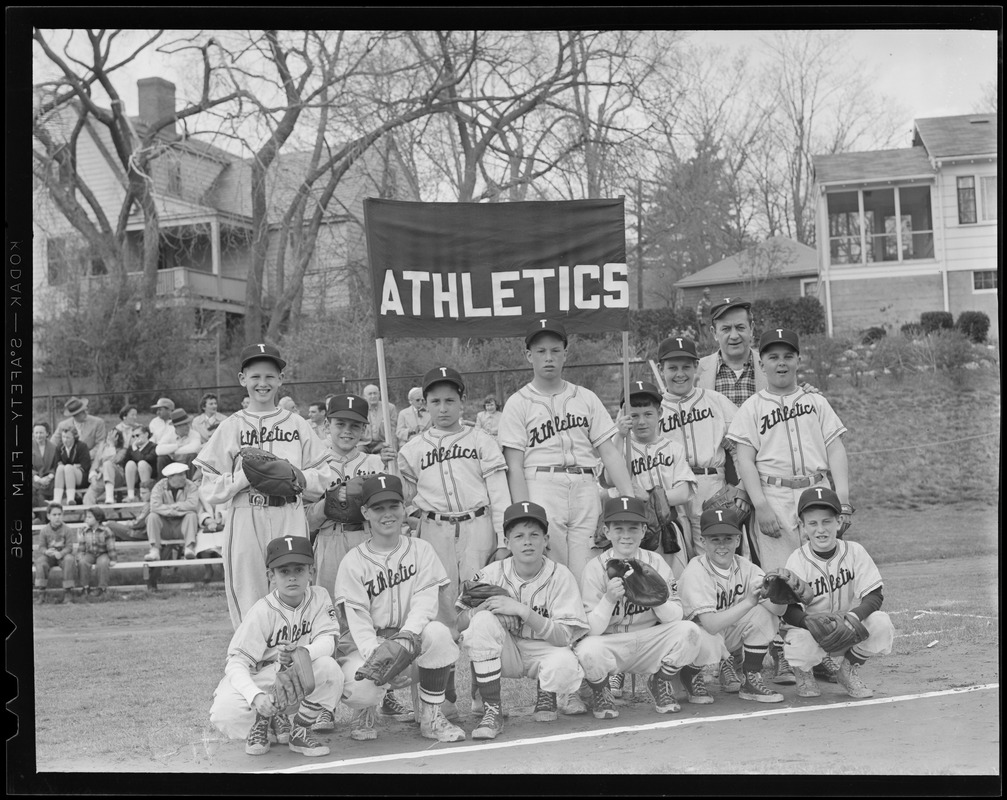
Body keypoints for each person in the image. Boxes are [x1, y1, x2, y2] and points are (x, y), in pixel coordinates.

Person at [727, 328, 850, 686]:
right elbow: (744, 459)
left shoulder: (816, 402)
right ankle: (781, 655)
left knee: (820, 578)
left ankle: (820, 652)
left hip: (816, 490)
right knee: (780, 582)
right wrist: (761, 505)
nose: (781, 362)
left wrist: (841, 500)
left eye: (787, 355)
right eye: (773, 356)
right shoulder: (752, 407)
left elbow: (836, 448)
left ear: (798, 359)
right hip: (776, 494)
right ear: (761, 363)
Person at [193, 343, 335, 630]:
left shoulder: (297, 424)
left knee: (294, 587)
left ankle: (293, 658)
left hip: (288, 512)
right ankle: (253, 661)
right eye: (255, 376)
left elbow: (325, 475)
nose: (263, 383)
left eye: (270, 376)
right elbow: (207, 488)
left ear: (280, 380)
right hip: (247, 512)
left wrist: (298, 478)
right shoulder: (231, 426)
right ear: (242, 379)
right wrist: (245, 477)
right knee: (248, 591)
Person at [498, 319, 636, 588]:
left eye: (555, 350)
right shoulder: (518, 403)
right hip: (542, 485)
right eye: (540, 351)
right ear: (529, 356)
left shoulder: (585, 397)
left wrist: (628, 499)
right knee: (552, 566)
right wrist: (525, 513)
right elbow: (514, 466)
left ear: (565, 354)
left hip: (585, 485)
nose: (548, 358)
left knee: (589, 564)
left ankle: (589, 623)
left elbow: (609, 452)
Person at [333, 473, 467, 744]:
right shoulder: (353, 561)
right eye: (378, 508)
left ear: (404, 509)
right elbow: (357, 622)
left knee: (439, 633)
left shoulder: (422, 550)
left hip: (412, 639)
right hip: (367, 647)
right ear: (365, 512)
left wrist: (403, 645)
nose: (387, 514)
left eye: (393, 506)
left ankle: (431, 715)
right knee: (360, 687)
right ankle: (365, 710)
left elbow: (425, 604)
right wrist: (382, 658)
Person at [574, 497, 727, 719]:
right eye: (618, 528)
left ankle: (660, 682)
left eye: (633, 528)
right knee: (586, 649)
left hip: (650, 639)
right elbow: (590, 630)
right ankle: (601, 691)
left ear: (644, 530)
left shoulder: (655, 562)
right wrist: (608, 600)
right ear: (606, 531)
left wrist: (656, 599)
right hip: (612, 641)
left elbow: (676, 617)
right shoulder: (594, 569)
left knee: (690, 631)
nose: (626, 535)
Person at [456, 501, 589, 740]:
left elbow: (565, 637)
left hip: (544, 651)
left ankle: (546, 692)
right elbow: (458, 623)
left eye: (534, 534)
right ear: (507, 542)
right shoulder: (491, 574)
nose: (527, 541)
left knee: (566, 666)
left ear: (546, 540)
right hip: (506, 651)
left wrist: (522, 611)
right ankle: (492, 710)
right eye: (519, 535)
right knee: (483, 621)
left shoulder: (561, 576)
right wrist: (485, 610)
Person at [304, 393, 396, 733]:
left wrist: (392, 464)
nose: (347, 431)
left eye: (355, 425)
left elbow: (397, 510)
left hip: (366, 543)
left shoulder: (375, 463)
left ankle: (371, 700)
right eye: (340, 423)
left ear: (364, 428)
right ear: (327, 425)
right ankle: (325, 704)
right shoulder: (313, 465)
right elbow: (303, 522)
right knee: (329, 625)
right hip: (328, 540)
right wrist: (326, 504)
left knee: (371, 619)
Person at [398, 366, 511, 633]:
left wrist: (504, 540)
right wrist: (391, 466)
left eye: (450, 400)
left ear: (462, 401)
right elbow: (403, 497)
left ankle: (480, 666)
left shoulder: (481, 440)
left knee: (481, 601)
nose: (443, 408)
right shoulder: (412, 449)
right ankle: (443, 665)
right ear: (425, 405)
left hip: (478, 525)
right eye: (435, 402)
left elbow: (499, 494)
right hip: (434, 530)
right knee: (440, 607)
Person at [209, 535, 343, 758]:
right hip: (261, 676)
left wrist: (301, 653)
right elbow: (235, 664)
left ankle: (299, 730)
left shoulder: (319, 597)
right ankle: (265, 720)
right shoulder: (262, 611)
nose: (292, 578)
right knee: (224, 712)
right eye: (284, 571)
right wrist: (256, 697)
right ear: (271, 576)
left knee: (330, 669)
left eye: (299, 570)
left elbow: (328, 641)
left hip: (297, 672)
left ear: (311, 571)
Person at [783, 487, 894, 699]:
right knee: (797, 639)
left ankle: (847, 670)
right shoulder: (797, 559)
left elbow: (874, 594)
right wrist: (810, 622)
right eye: (813, 523)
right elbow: (790, 610)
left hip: (848, 627)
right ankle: (804, 672)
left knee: (881, 622)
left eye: (826, 521)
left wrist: (854, 616)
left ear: (839, 522)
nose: (820, 530)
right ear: (803, 526)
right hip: (812, 631)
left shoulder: (854, 551)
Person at [677, 507, 787, 704]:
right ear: (703, 542)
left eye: (728, 538)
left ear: (738, 540)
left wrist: (781, 595)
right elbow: (710, 625)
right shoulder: (695, 571)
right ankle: (689, 674)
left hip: (724, 633)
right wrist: (748, 603)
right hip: (693, 640)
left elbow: (775, 611)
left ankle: (751, 679)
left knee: (764, 613)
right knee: (706, 636)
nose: (722, 545)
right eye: (714, 539)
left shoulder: (746, 567)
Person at [656, 336, 748, 558]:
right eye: (673, 368)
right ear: (661, 369)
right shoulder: (653, 409)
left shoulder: (715, 401)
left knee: (720, 555)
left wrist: (743, 487)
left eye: (686, 367)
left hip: (711, 485)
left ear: (697, 367)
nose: (680, 374)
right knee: (678, 557)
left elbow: (741, 445)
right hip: (672, 489)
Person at [611, 379, 697, 577]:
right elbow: (609, 477)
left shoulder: (674, 448)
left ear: (659, 413)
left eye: (648, 414)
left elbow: (684, 493)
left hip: (668, 530)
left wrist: (649, 496)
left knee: (675, 581)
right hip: (633, 529)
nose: (641, 421)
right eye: (634, 415)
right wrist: (619, 437)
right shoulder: (620, 448)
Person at [144, 461, 201, 561]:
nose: (184, 477)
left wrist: (170, 508)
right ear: (170, 477)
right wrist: (177, 509)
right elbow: (154, 507)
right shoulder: (159, 486)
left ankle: (189, 548)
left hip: (182, 527)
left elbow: (193, 505)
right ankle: (154, 550)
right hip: (165, 527)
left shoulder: (191, 486)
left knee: (191, 515)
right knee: (152, 516)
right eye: (180, 474)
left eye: (184, 474)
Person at [33, 502, 77, 603]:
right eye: (54, 515)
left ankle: (68, 593)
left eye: (59, 514)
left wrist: (61, 553)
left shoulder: (67, 530)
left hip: (63, 555)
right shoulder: (44, 530)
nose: (57, 517)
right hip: (50, 556)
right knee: (40, 562)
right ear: (48, 516)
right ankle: (41, 593)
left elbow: (69, 547)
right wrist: (46, 551)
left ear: (62, 515)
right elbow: (41, 547)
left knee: (69, 560)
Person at [51, 396, 107, 468]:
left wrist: (84, 457)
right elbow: (53, 444)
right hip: (68, 463)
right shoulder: (63, 425)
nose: (86, 413)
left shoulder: (98, 423)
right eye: (82, 412)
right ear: (74, 415)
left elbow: (101, 444)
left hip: (91, 461)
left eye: (85, 410)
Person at [74, 506, 118, 598]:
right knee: (82, 563)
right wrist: (79, 556)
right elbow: (82, 545)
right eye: (86, 517)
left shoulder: (106, 531)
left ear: (98, 519)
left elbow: (111, 546)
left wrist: (113, 559)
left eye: (89, 517)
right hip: (90, 553)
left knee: (102, 564)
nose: (86, 519)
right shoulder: (85, 531)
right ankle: (85, 587)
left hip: (103, 553)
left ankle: (102, 588)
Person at [83, 422, 129, 506]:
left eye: (112, 437)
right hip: (101, 477)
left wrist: (111, 445)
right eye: (108, 436)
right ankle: (93, 516)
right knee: (88, 497)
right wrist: (93, 476)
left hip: (117, 478)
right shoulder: (102, 448)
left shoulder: (123, 449)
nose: (109, 438)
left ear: (117, 438)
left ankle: (109, 497)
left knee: (107, 464)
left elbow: (113, 460)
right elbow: (95, 464)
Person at [155, 408, 202, 478]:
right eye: (184, 424)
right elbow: (158, 450)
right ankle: (163, 483)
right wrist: (177, 446)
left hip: (187, 463)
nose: (188, 426)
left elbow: (195, 448)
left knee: (193, 456)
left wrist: (173, 451)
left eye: (188, 423)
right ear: (176, 426)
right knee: (161, 458)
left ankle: (191, 483)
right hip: (173, 462)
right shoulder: (169, 435)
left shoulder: (195, 434)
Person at [52, 426, 91, 506]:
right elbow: (57, 464)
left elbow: (85, 465)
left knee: (68, 467)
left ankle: (70, 498)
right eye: (63, 437)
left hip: (81, 477)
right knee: (60, 468)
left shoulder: (82, 446)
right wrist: (74, 465)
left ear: (74, 437)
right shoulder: (59, 447)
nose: (65, 440)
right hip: (65, 477)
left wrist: (72, 467)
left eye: (68, 438)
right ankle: (57, 500)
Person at [359, 384, 397, 454]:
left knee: (387, 455)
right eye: (370, 394)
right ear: (365, 396)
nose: (373, 396)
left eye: (375, 393)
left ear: (379, 394)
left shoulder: (389, 408)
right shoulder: (359, 409)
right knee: (357, 455)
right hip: (363, 444)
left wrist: (392, 447)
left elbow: (393, 430)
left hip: (382, 443)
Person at [123, 426, 158, 502]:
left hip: (150, 478)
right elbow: (125, 464)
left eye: (137, 435)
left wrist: (135, 448)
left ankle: (145, 495)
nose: (135, 438)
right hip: (135, 479)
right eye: (133, 436)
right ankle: (130, 495)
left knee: (142, 464)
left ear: (146, 434)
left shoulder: (153, 446)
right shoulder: (131, 449)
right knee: (130, 463)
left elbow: (147, 459)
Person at [32, 420, 59, 512]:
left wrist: (49, 476)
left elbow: (56, 465)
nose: (38, 435)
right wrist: (38, 478)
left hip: (50, 480)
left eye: (41, 433)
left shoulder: (53, 447)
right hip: (34, 480)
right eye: (36, 433)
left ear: (47, 433)